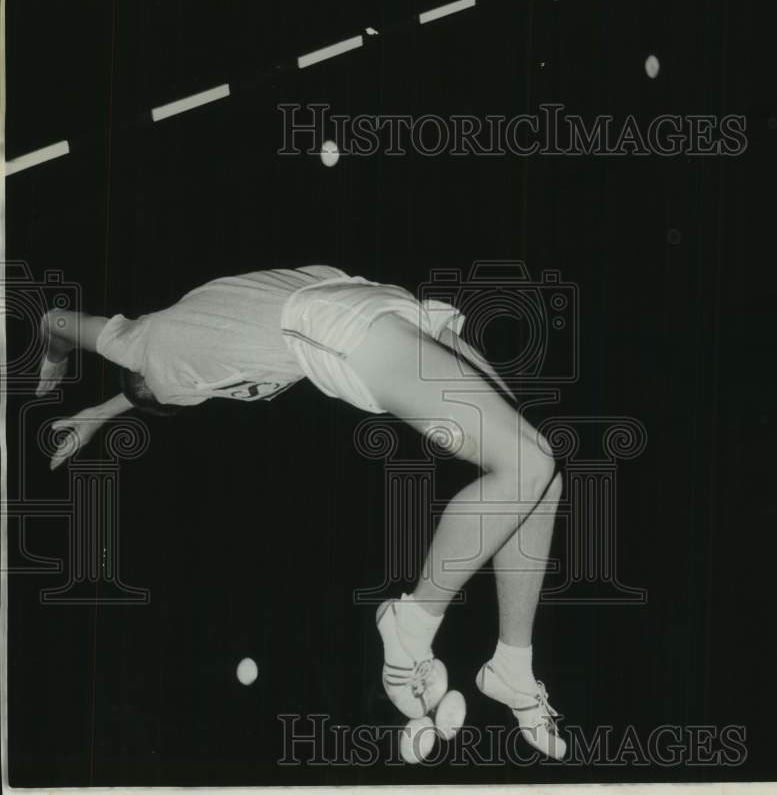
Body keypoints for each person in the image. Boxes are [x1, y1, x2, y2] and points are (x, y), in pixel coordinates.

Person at [36, 263, 567, 759]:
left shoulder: (140, 341)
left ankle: (412, 622)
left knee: (529, 469)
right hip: (381, 311)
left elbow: (59, 324)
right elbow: (158, 388)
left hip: (336, 323)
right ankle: (512, 664)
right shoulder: (187, 374)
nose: (157, 386)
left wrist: (55, 357)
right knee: (537, 472)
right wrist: (98, 412)